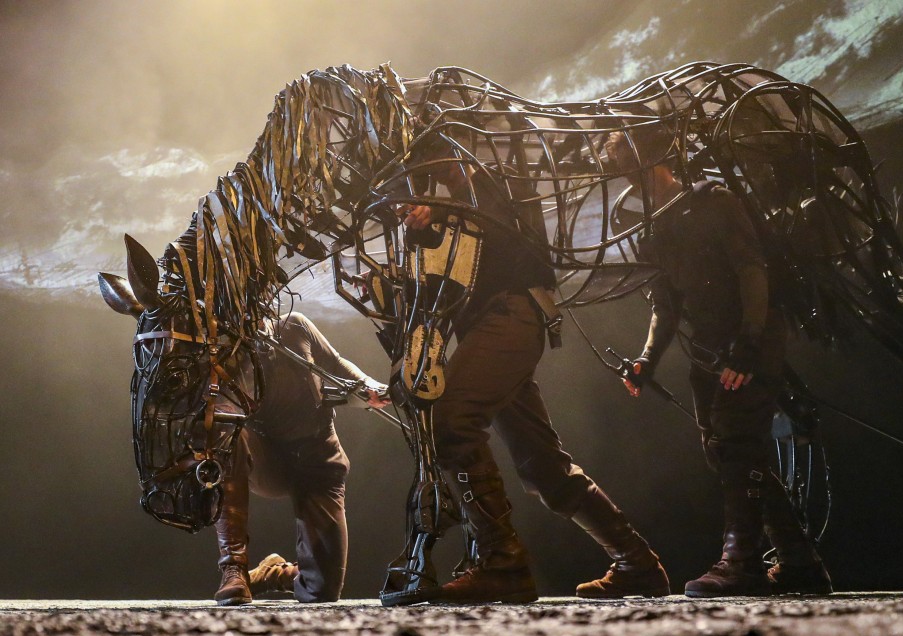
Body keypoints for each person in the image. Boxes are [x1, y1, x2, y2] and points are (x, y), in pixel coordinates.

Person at [399, 138, 670, 603]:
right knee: (542, 466)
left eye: (430, 162)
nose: (428, 174)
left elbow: (503, 232)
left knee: (450, 420)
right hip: (494, 326)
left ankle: (502, 561)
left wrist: (439, 213)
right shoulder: (455, 203)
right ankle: (637, 563)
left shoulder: (499, 183)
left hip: (512, 316)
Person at [605, 126, 832, 597]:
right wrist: (646, 360)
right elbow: (665, 303)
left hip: (748, 337)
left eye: (631, 163)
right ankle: (799, 562)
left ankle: (741, 562)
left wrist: (748, 344)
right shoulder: (654, 226)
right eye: (621, 168)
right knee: (725, 451)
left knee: (736, 442)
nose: (627, 176)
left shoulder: (713, 202)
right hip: (710, 347)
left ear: (658, 158)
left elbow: (752, 269)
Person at [213, 311, 390, 605]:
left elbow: (335, 363)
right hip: (269, 459)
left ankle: (274, 573)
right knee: (229, 434)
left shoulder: (294, 325)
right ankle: (233, 569)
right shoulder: (225, 347)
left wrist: (368, 385)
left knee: (321, 590)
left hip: (318, 461)